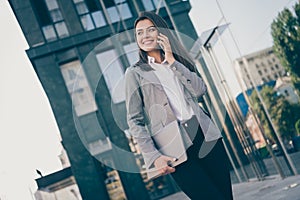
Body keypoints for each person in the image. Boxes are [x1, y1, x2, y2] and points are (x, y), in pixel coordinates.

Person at [125, 11, 233, 200]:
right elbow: (134, 120)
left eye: (150, 30)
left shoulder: (178, 62)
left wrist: (172, 61)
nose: (145, 36)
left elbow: (200, 90)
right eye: (139, 33)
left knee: (225, 196)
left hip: (205, 135)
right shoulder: (134, 73)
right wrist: (153, 156)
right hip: (173, 146)